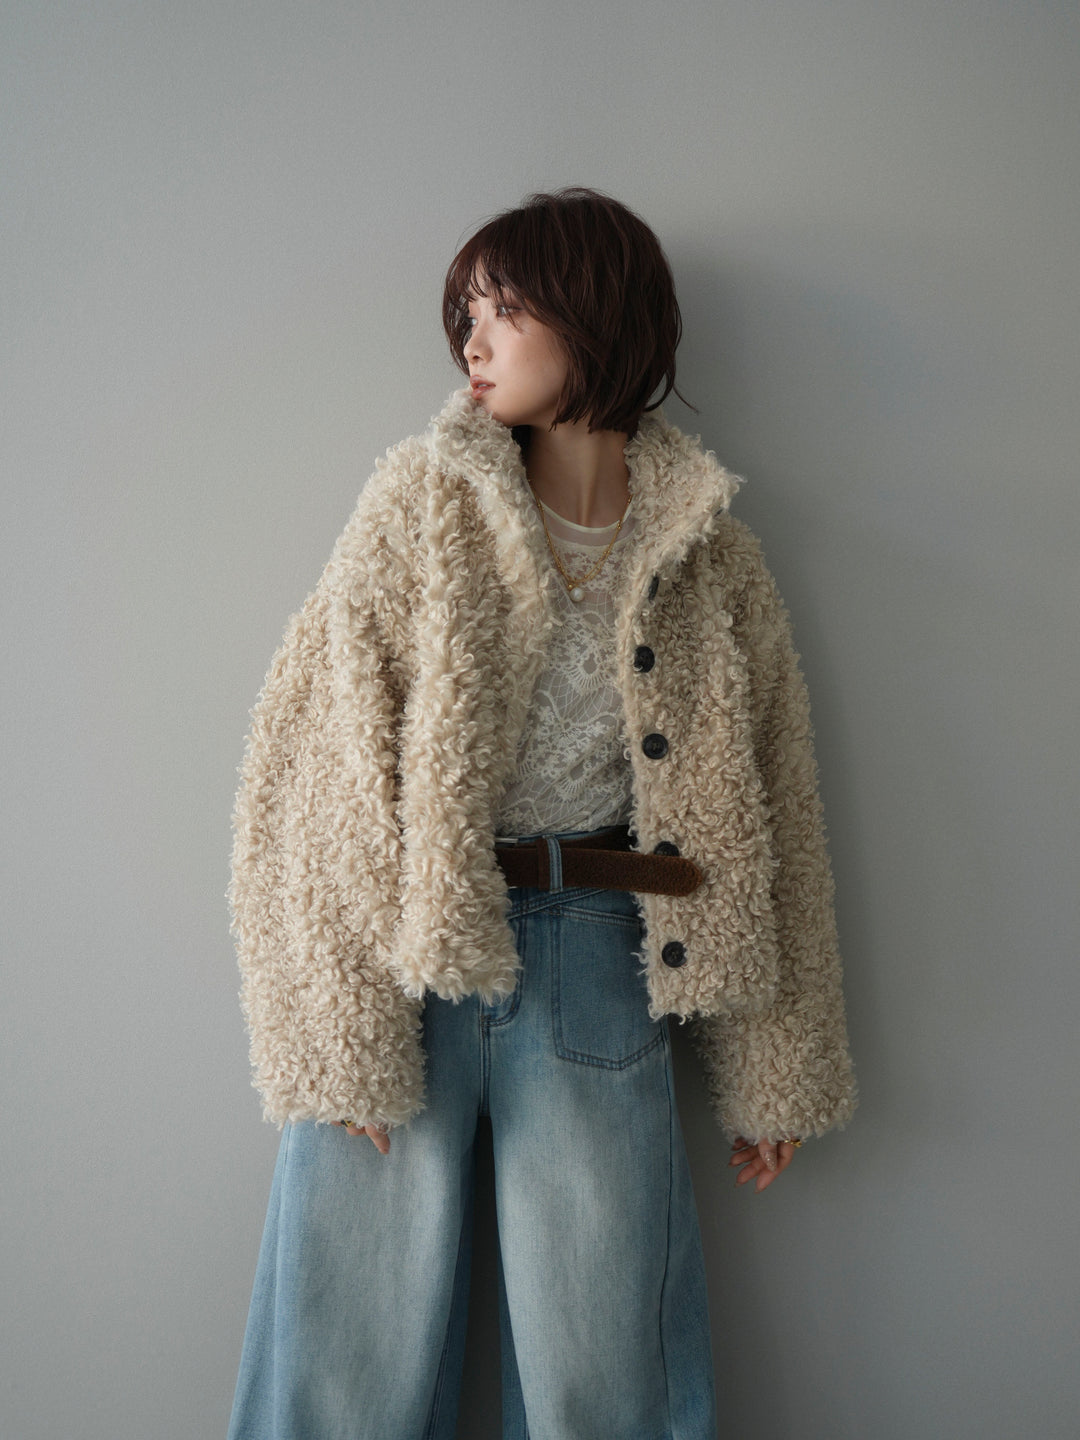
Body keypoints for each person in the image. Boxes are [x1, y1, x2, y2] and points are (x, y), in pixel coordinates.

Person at [225, 186, 856, 1440]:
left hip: (603, 959)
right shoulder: (420, 503)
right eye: (464, 313)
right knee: (341, 1354)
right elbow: (315, 766)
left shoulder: (710, 551)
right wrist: (331, 1034)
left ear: (595, 316)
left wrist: (776, 1066)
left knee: (603, 1360)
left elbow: (771, 807)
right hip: (409, 951)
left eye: (502, 310)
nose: (471, 339)